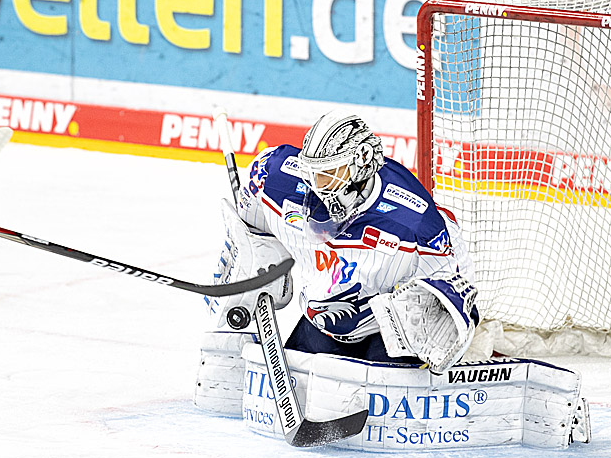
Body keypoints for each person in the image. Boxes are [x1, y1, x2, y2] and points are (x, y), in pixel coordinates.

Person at [196, 110, 480, 412]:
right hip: (322, 321)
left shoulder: (415, 221)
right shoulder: (275, 178)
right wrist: (256, 255)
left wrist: (435, 315)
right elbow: (249, 224)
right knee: (280, 398)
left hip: (383, 333)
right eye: (313, 171)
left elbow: (454, 286)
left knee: (376, 405)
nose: (317, 183)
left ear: (362, 164)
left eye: (330, 172)